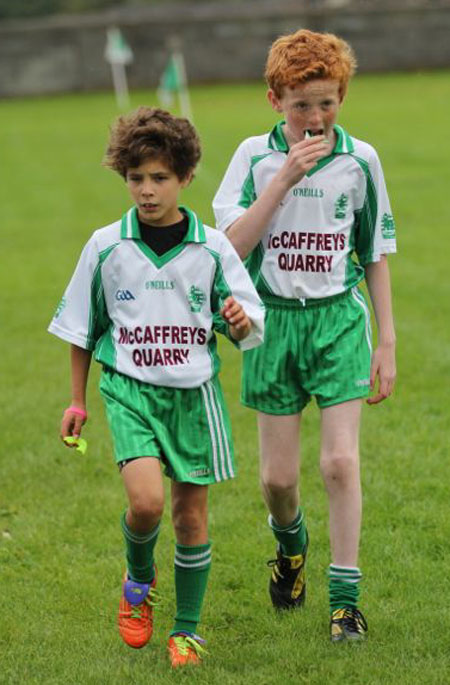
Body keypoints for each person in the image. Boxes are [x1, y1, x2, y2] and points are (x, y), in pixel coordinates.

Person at [48, 106, 264, 667]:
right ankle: (138, 582)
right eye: (136, 178)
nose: (146, 190)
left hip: (195, 398)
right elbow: (81, 327)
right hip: (129, 391)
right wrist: (77, 398)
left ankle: (186, 631)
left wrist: (240, 321)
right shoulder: (104, 246)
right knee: (145, 504)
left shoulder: (213, 248)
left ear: (186, 177)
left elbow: (245, 319)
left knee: (190, 517)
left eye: (159, 178)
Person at [213, 29, 396, 642]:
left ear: (342, 96)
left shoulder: (361, 159)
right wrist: (282, 182)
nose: (314, 118)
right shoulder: (252, 158)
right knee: (278, 481)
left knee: (340, 462)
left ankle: (345, 601)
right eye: (300, 105)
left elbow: (373, 253)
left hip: (339, 322)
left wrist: (387, 340)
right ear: (274, 100)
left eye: (327, 102)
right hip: (270, 325)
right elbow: (230, 250)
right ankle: (291, 549)